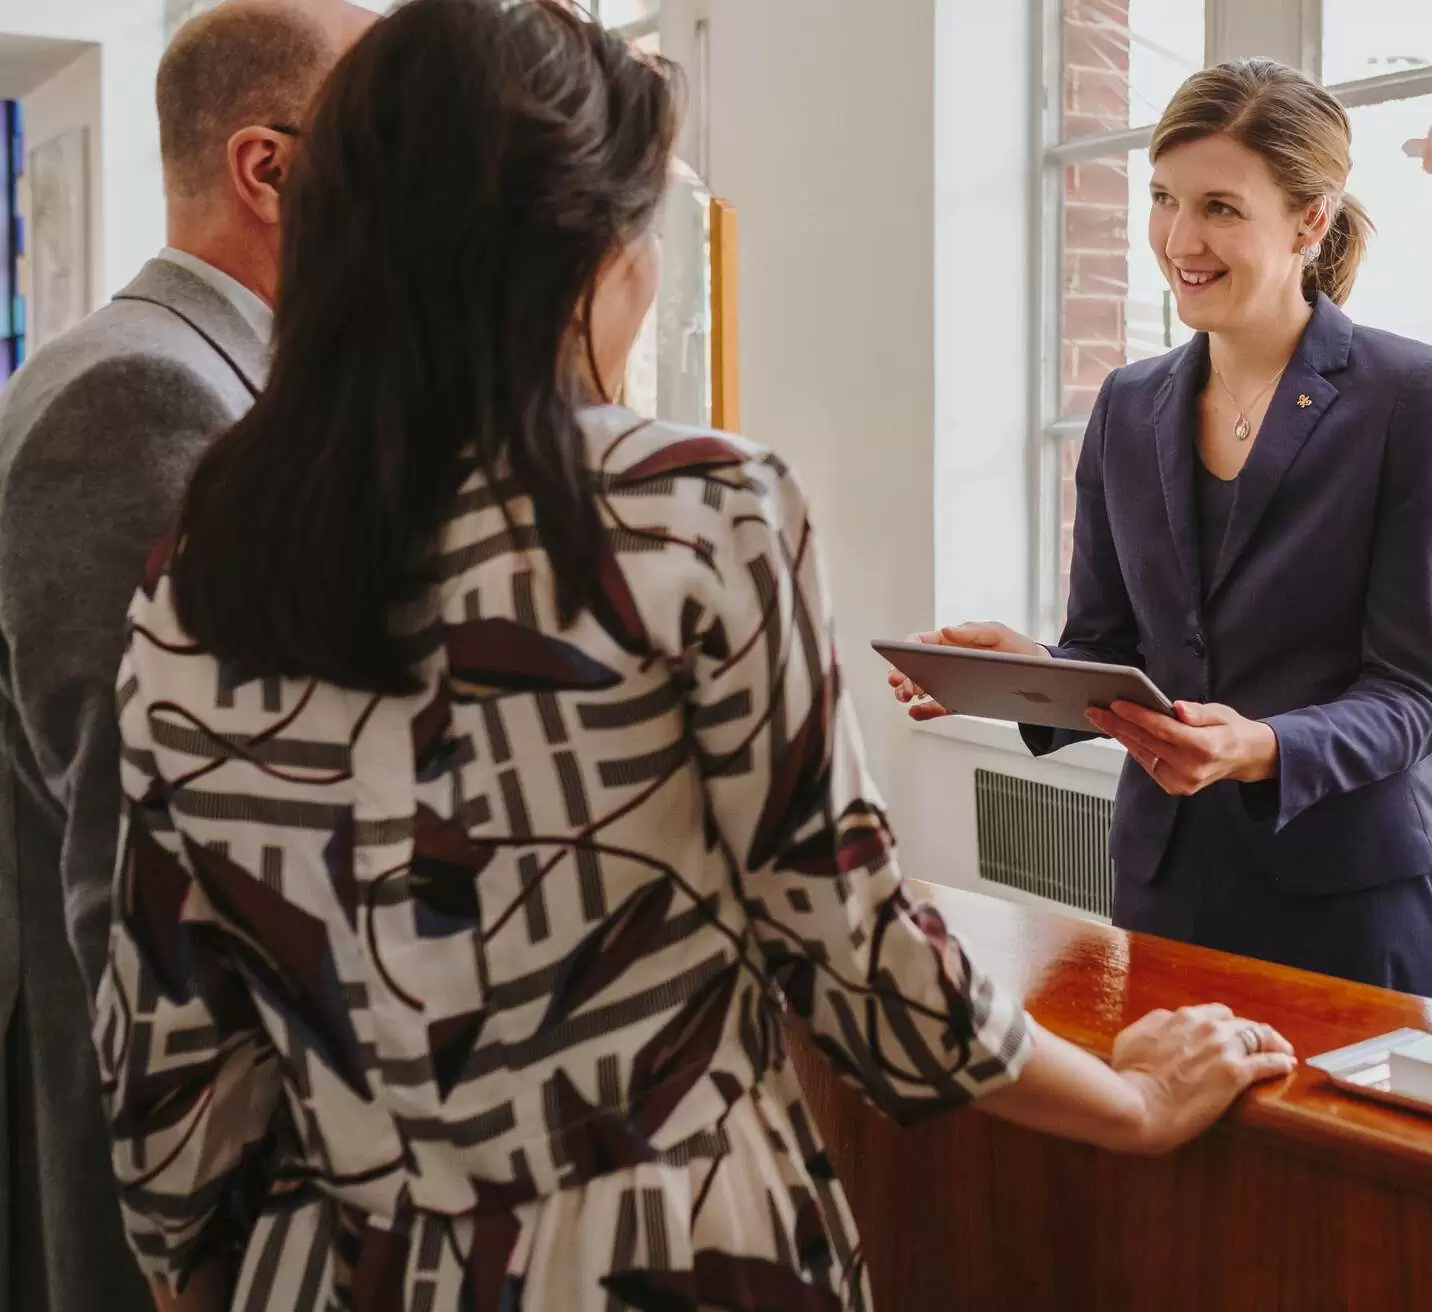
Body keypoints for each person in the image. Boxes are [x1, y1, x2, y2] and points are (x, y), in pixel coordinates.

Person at [90, 4, 1294, 1309]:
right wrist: (1129, 1102)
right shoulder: (688, 507)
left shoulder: (210, 550)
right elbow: (851, 948)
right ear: (581, 249)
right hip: (662, 1258)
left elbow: (172, 1044)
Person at [889, 60, 1432, 999]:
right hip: (1165, 889)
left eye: (1219, 207)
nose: (1178, 239)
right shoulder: (1127, 406)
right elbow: (1110, 648)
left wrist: (1261, 748)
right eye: (1163, 198)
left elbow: (1414, 697)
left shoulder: (1413, 398)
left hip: (1346, 904)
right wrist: (1024, 674)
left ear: (1311, 220)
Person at [0, 3, 373, 1309]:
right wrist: (189, 1231)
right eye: (371, 138)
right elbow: (135, 849)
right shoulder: (140, 395)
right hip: (135, 1153)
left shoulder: (224, 384)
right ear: (266, 171)